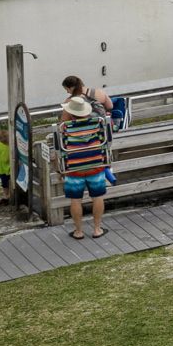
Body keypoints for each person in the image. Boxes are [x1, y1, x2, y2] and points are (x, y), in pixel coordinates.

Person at [57, 96, 110, 239]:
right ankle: (97, 229)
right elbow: (107, 140)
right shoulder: (98, 123)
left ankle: (79, 231)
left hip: (74, 169)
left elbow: (60, 149)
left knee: (75, 200)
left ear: (71, 112)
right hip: (96, 166)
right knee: (97, 197)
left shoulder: (64, 127)